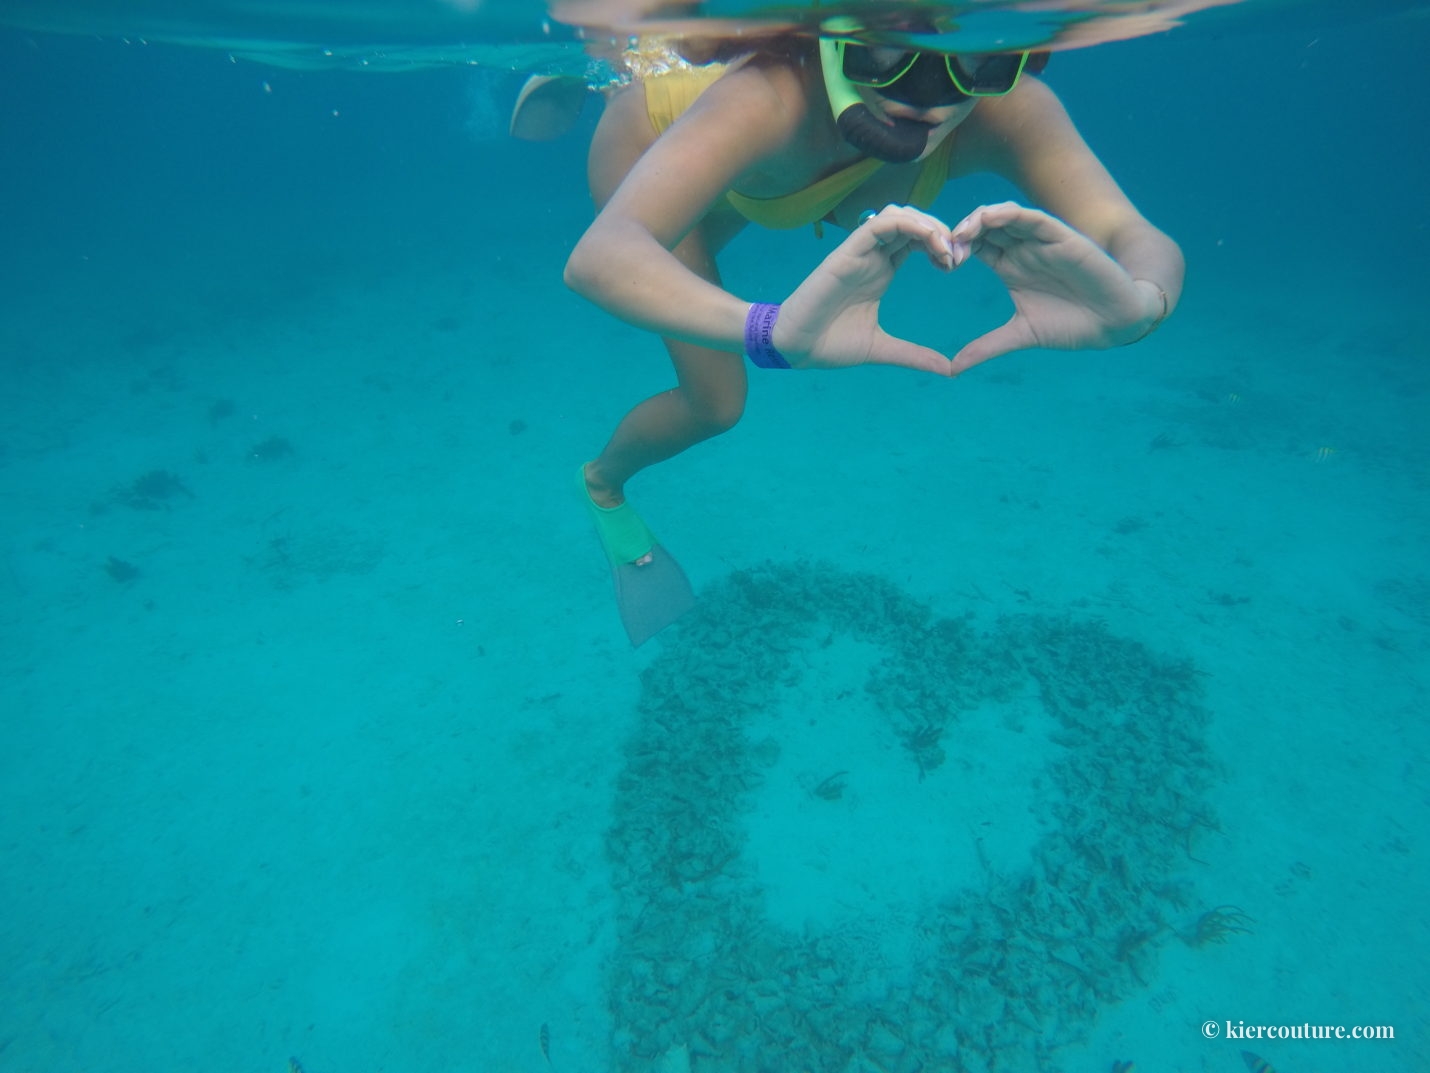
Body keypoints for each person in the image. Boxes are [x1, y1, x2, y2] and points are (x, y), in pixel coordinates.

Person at [550, 25, 1185, 644]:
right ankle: (602, 485)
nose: (928, 94)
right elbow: (602, 257)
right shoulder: (770, 96)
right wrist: (766, 331)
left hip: (763, 182)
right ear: (834, 28)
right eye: (888, 49)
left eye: (974, 62)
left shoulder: (1006, 110)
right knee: (716, 404)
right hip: (658, 140)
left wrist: (1142, 304)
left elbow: (1133, 232)